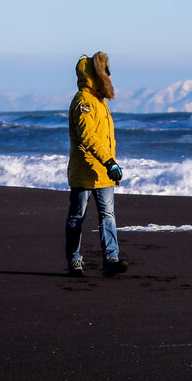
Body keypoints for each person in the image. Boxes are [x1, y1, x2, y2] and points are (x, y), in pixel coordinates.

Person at [65, 51, 127, 278]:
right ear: (96, 75)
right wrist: (110, 161)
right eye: (107, 73)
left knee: (108, 214)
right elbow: (88, 136)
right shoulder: (83, 102)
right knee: (76, 217)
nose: (110, 78)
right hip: (85, 171)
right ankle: (74, 261)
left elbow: (106, 139)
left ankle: (112, 258)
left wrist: (110, 164)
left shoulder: (100, 102)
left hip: (103, 172)